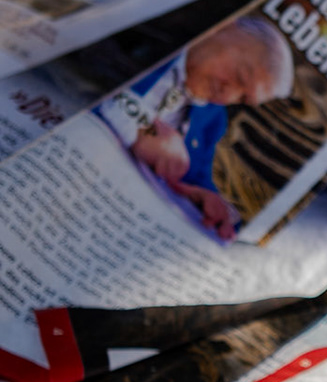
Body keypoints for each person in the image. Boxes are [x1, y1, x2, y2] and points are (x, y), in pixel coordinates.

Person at [96, 16, 294, 240]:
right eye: (239, 75)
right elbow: (82, 72)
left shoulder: (212, 120)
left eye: (242, 98)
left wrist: (206, 201)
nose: (227, 94)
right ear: (223, 27)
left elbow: (196, 179)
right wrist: (139, 131)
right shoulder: (148, 35)